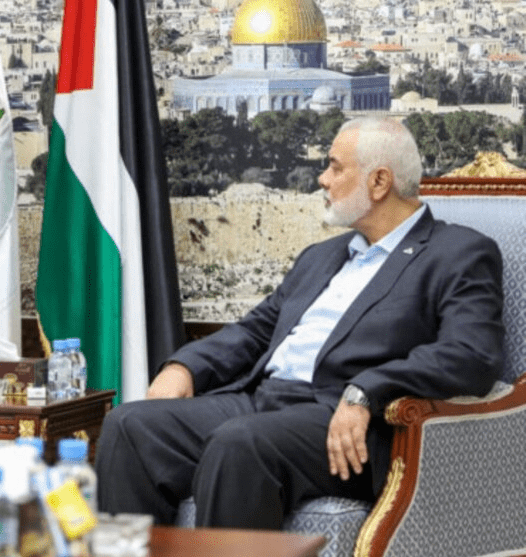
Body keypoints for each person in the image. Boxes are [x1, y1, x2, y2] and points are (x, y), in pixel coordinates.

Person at [95, 117, 503, 529]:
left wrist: (368, 389)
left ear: (379, 182)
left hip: (344, 419)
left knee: (240, 443)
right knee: (130, 426)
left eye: (335, 167)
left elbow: (473, 354)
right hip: (263, 400)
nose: (323, 179)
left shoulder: (458, 252)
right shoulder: (321, 256)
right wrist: (184, 367)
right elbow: (256, 330)